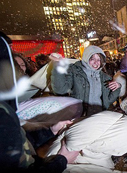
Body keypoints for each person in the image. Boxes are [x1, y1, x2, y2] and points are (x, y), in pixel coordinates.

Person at [0, 32, 79, 173]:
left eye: (21, 64)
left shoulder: (5, 109)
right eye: (12, 63)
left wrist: (50, 130)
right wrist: (62, 160)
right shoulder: (3, 113)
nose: (18, 68)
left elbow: (21, 141)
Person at [51, 45, 121, 116]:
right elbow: (60, 90)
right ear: (86, 58)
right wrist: (57, 66)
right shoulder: (75, 72)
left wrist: (117, 88)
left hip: (99, 116)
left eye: (98, 59)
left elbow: (108, 101)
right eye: (92, 59)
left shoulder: (105, 77)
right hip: (80, 116)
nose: (96, 62)